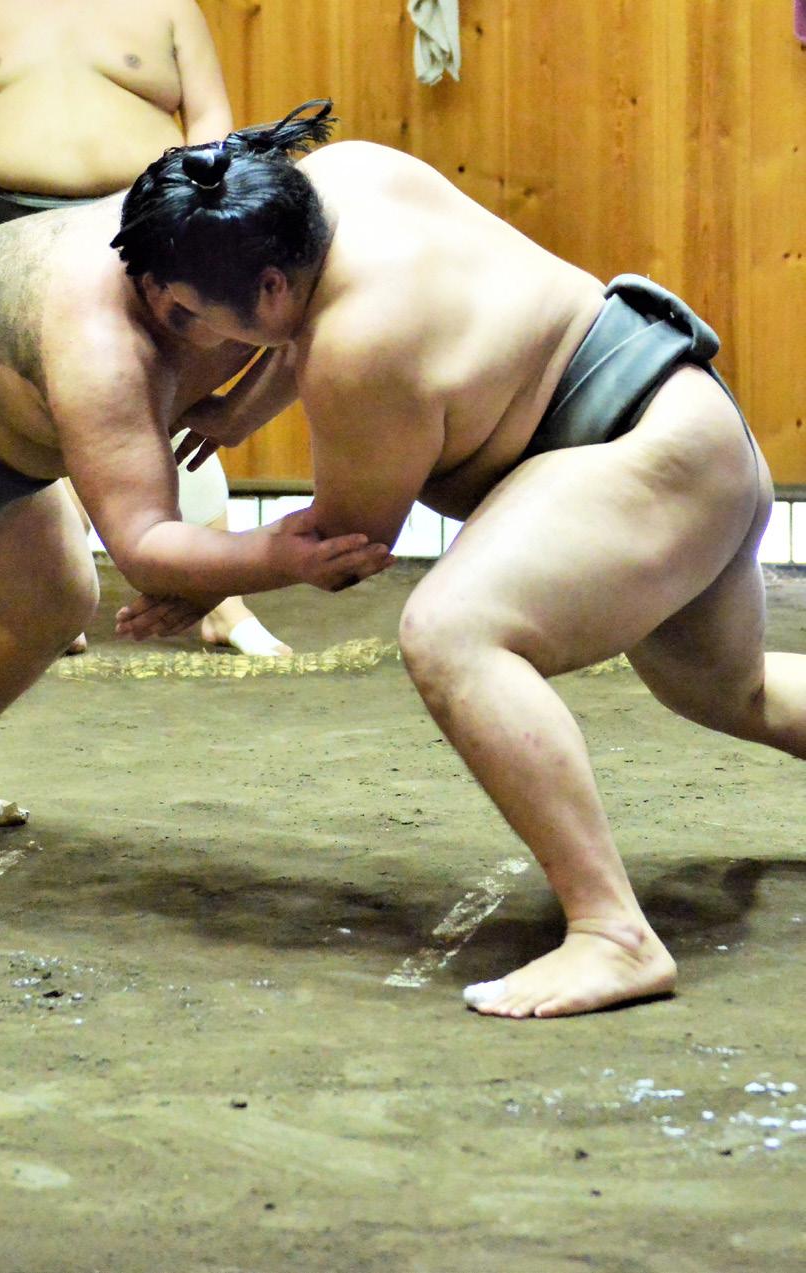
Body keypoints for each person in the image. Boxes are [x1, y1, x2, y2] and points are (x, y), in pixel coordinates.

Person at [112, 101, 806, 1020]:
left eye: (188, 312)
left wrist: (191, 576)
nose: (181, 331)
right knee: (730, 690)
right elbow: (308, 318)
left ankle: (614, 934)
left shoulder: (357, 353)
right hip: (685, 414)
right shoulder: (340, 180)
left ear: (269, 286)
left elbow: (344, 545)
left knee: (452, 630)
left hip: (643, 459)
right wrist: (242, 409)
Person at [0, 192, 392, 830]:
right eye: (176, 309)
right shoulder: (104, 343)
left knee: (53, 605)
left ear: (276, 283)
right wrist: (274, 557)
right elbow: (144, 548)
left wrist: (239, 413)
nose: (180, 320)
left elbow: (313, 319)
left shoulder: (288, 229)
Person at [0, 0, 289, 657]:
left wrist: (200, 216)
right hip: (7, 230)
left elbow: (210, 118)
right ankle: (50, 594)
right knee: (25, 410)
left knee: (166, 398)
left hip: (137, 226)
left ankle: (219, 599)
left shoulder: (168, 9)